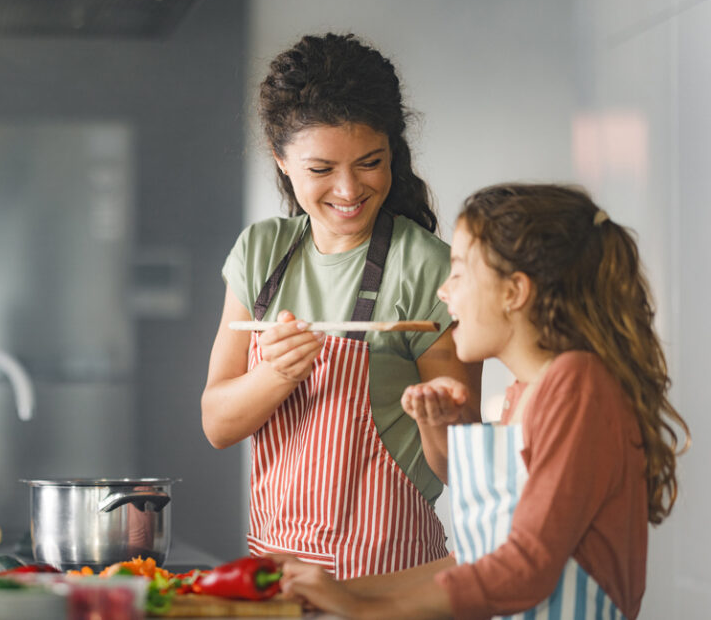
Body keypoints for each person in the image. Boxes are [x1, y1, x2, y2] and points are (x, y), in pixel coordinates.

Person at [280, 183, 691, 619]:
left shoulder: (577, 386)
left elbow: (525, 567)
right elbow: (480, 561)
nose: (443, 291)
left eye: (458, 270)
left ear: (514, 292)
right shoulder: (524, 393)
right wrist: (334, 590)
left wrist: (362, 610)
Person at [201, 33, 482, 579]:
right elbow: (217, 423)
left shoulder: (430, 267)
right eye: (321, 169)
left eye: (370, 162)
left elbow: (460, 467)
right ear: (282, 161)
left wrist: (441, 421)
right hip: (277, 568)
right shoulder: (261, 252)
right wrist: (278, 374)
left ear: (392, 153)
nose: (349, 190)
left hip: (390, 577)